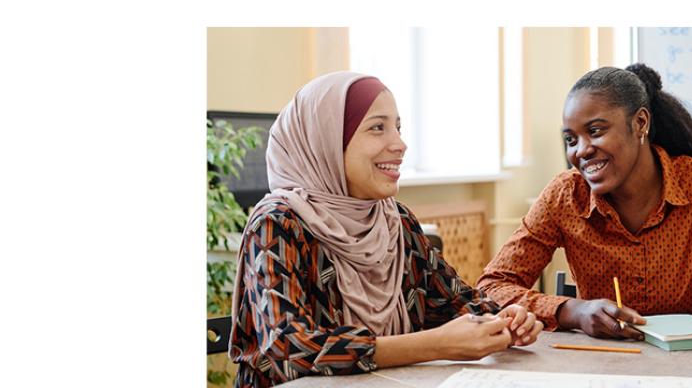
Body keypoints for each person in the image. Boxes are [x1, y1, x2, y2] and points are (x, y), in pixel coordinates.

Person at [228, 71, 542, 387]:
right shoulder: (278, 223)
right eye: (377, 128)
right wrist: (433, 345)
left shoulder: (395, 220)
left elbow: (456, 302)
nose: (400, 144)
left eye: (398, 127)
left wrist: (505, 319)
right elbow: (287, 348)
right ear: (327, 140)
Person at [477, 64, 692, 350]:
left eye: (595, 131)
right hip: (601, 365)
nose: (581, 150)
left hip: (691, 362)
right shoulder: (564, 195)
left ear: (640, 123)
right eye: (571, 140)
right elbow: (492, 286)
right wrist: (573, 311)